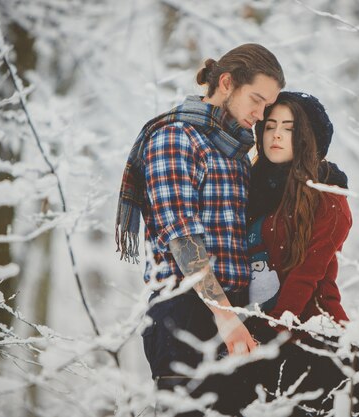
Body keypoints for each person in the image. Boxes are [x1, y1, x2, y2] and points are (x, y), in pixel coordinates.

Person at [115, 44, 284, 415]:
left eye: (267, 106)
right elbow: (183, 240)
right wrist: (226, 318)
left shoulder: (236, 154)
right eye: (256, 100)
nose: (260, 114)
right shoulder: (174, 138)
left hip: (234, 310)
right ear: (226, 83)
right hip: (186, 313)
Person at [245, 91, 359, 416]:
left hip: (312, 337)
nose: (276, 135)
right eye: (269, 126)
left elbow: (305, 276)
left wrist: (274, 333)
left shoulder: (327, 195)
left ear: (307, 137)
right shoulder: (251, 188)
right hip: (259, 338)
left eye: (289, 127)